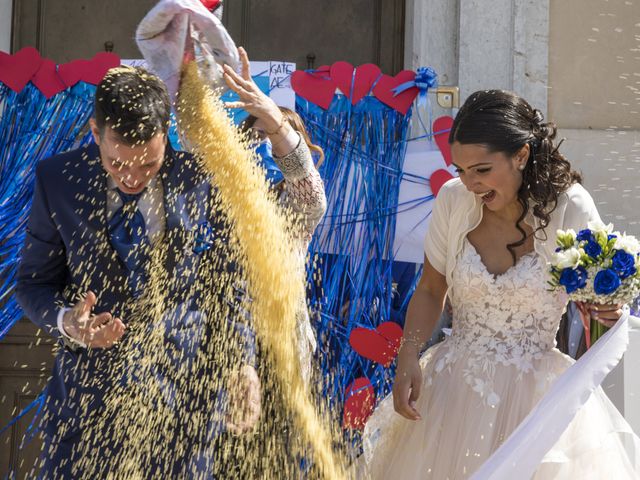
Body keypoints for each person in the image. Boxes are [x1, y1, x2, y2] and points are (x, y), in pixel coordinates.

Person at [360, 90, 640, 478]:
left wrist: (607, 306)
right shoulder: (452, 200)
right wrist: (408, 354)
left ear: (521, 155)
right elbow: (429, 288)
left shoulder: (571, 206)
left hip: (535, 404)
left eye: (482, 169)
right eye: (460, 169)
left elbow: (596, 300)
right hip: (451, 395)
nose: (470, 182)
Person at [14, 65, 264, 477]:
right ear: (96, 133)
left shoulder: (202, 179)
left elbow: (231, 282)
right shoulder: (57, 180)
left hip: (185, 405)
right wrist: (66, 322)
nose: (131, 177)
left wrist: (243, 362)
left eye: (148, 164)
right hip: (86, 409)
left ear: (167, 136)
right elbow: (33, 283)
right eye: (116, 163)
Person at [239, 101, 327, 383]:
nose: (265, 145)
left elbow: (308, 188)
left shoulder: (298, 206)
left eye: (274, 138)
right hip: (231, 336)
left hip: (284, 340)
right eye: (257, 137)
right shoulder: (224, 197)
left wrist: (280, 131)